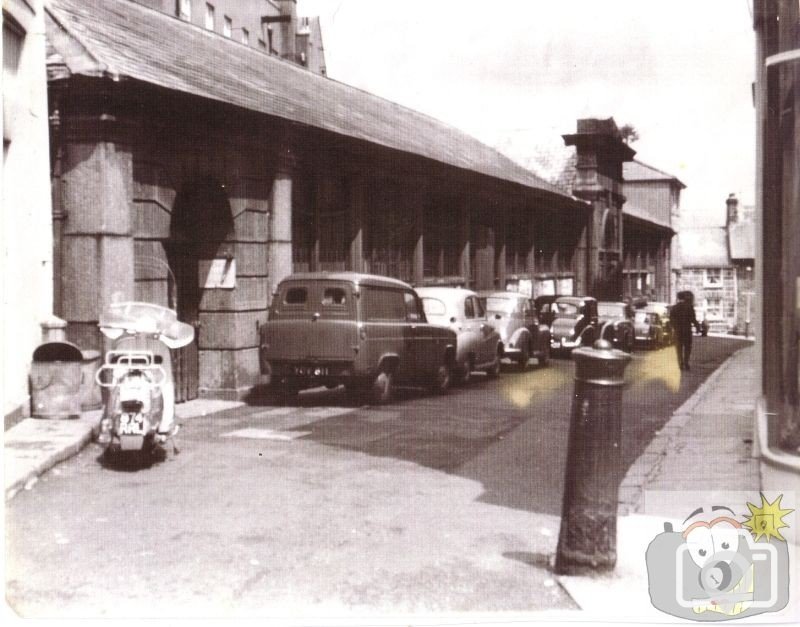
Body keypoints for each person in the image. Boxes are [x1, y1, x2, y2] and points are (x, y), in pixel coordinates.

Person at [671, 291, 701, 370]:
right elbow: (693, 319)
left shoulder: (674, 308)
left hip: (678, 331)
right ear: (684, 298)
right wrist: (697, 327)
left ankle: (680, 363)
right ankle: (686, 362)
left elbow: (671, 320)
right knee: (687, 347)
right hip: (687, 331)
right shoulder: (689, 307)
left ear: (678, 298)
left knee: (679, 348)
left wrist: (674, 328)